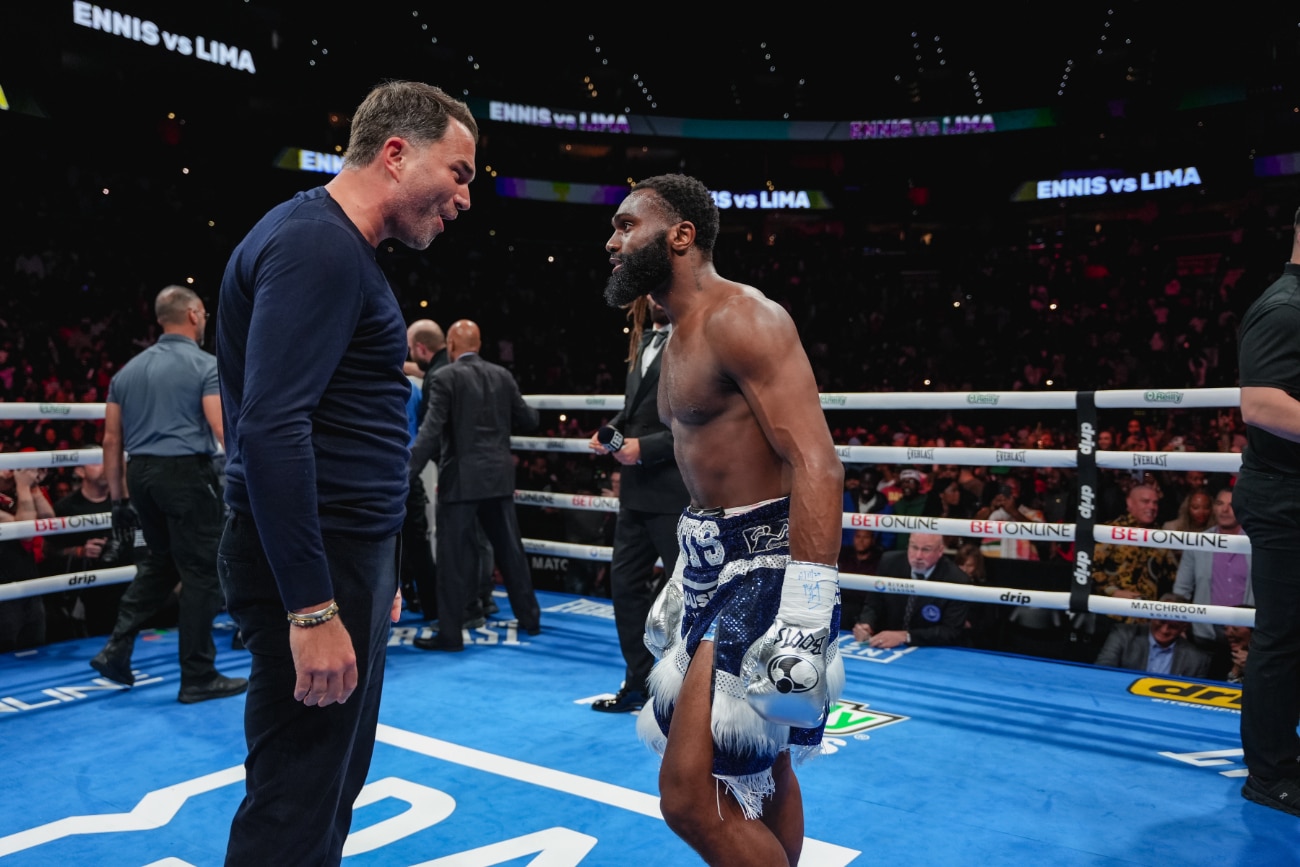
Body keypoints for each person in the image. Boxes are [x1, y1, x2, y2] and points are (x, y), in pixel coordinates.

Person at [215, 80, 477, 864]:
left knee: (327, 787)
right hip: (317, 561)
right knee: (297, 800)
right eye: (458, 172)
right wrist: (311, 606)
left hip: (343, 554)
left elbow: (335, 423)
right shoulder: (318, 245)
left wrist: (376, 563)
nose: (465, 198)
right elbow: (272, 427)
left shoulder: (330, 244)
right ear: (396, 153)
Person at [606, 173, 844, 864]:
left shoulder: (743, 317)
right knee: (761, 769)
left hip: (767, 565)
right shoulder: (675, 332)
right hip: (713, 559)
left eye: (627, 225)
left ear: (681, 235)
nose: (612, 242)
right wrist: (689, 566)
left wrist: (806, 612)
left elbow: (817, 462)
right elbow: (709, 468)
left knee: (687, 794)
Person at [89, 285, 242, 704]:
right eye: (204, 314)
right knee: (201, 573)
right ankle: (198, 675)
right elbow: (221, 429)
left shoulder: (127, 373)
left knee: (161, 562)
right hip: (185, 475)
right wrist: (247, 478)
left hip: (141, 475)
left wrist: (118, 500)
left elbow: (111, 441)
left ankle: (116, 646)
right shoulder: (204, 365)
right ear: (192, 315)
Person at [407, 319, 542, 652]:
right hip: (498, 479)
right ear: (478, 346)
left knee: (452, 560)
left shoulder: (445, 377)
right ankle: (530, 619)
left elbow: (430, 432)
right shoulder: (501, 375)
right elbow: (529, 419)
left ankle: (450, 635)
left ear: (451, 345)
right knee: (511, 552)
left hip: (462, 481)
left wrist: (405, 473)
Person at [588, 293, 690, 713]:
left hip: (674, 489)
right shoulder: (642, 341)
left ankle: (685, 689)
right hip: (634, 493)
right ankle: (639, 681)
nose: (654, 296)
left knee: (685, 595)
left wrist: (644, 448)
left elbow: (696, 419)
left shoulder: (694, 340)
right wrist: (611, 430)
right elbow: (635, 409)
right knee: (625, 586)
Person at [1234, 211, 1300, 818]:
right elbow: (1259, 404)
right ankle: (1270, 774)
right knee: (1282, 637)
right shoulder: (1284, 308)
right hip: (1283, 497)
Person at [1172, 486, 1253, 672]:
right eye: (1219, 503)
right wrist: (1178, 625)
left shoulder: (1255, 542)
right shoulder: (1198, 541)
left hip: (1247, 634)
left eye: (1231, 505)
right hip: (1205, 633)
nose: (1224, 509)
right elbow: (1182, 589)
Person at [851, 532, 972, 649]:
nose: (918, 556)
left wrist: (906, 636)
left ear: (940, 551)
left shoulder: (956, 579)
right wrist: (866, 624)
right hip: (885, 645)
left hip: (929, 650)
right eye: (914, 547)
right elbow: (873, 602)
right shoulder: (890, 562)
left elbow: (950, 631)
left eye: (926, 550)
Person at [1091, 483, 1181, 608]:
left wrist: (1168, 600)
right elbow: (1089, 567)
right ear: (1129, 503)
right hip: (1112, 610)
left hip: (1147, 612)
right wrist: (1113, 592)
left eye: (1155, 503)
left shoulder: (1159, 536)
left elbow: (1174, 576)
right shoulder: (1112, 531)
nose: (1152, 507)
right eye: (1145, 501)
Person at [1093, 595, 1212, 678]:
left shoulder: (1197, 659)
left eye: (1173, 626)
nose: (1164, 630)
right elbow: (1102, 672)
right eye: (1161, 621)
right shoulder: (1123, 635)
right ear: (1152, 616)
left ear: (1184, 628)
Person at [0, 466, 53, 651]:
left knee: (35, 648)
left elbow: (49, 520)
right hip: (3, 589)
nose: (10, 469)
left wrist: (33, 486)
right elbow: (26, 532)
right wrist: (23, 486)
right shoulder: (17, 494)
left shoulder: (12, 496)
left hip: (28, 582)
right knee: (7, 653)